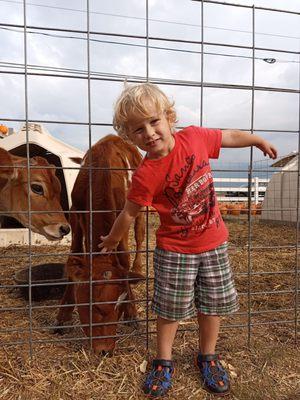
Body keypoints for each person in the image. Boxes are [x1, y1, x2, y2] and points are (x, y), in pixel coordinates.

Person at [98, 83, 277, 397]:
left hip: (214, 243)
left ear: (169, 118)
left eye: (154, 122)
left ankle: (207, 355)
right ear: (130, 136)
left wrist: (257, 140)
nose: (150, 133)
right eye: (138, 129)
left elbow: (228, 136)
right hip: (175, 249)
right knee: (169, 310)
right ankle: (163, 360)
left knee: (212, 305)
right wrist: (113, 239)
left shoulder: (194, 138)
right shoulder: (145, 173)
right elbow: (129, 212)